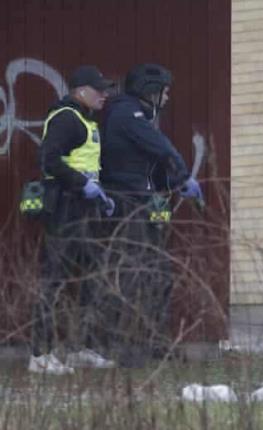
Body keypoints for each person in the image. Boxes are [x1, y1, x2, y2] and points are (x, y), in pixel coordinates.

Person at [100, 63, 202, 366]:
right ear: (150, 90)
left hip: (142, 201)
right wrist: (184, 176)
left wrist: (171, 184)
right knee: (135, 275)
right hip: (128, 204)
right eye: (165, 92)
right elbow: (161, 148)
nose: (168, 98)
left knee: (159, 275)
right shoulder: (127, 114)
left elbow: (145, 166)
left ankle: (156, 343)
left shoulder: (138, 116)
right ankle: (130, 350)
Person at [30, 65, 117, 374]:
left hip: (85, 209)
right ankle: (40, 355)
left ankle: (82, 348)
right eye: (99, 89)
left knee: (90, 279)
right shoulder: (67, 118)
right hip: (66, 209)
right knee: (54, 280)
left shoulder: (85, 119)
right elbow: (48, 160)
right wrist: (83, 185)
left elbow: (85, 165)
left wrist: (100, 195)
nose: (105, 94)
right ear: (81, 91)